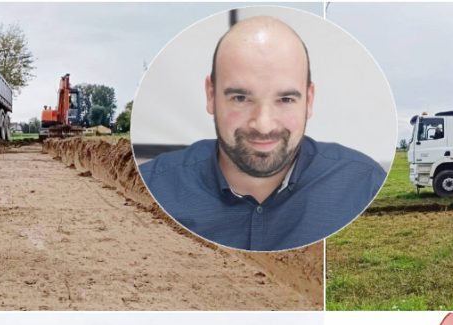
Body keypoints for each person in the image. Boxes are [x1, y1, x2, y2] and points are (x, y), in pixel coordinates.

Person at [138, 16, 387, 251]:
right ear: (211, 96)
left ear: (309, 101)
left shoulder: (362, 185)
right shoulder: (152, 187)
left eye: (286, 99)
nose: (264, 126)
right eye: (240, 98)